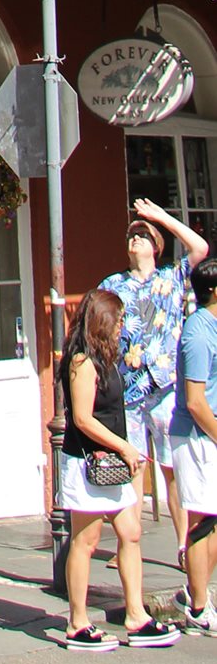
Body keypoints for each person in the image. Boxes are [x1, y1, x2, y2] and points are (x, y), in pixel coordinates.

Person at [58, 284, 178, 651]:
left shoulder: (108, 357)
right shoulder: (81, 361)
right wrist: (125, 446)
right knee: (86, 539)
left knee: (131, 533)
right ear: (103, 320)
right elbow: (81, 417)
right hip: (89, 460)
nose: (122, 326)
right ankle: (77, 622)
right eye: (119, 319)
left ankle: (136, 615)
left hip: (116, 462)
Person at [101, 194, 209, 562]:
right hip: (129, 387)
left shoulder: (171, 278)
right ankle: (129, 542)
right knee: (132, 465)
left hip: (165, 387)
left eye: (143, 236)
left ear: (156, 246)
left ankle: (184, 544)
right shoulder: (114, 284)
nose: (135, 240)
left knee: (171, 469)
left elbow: (200, 247)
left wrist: (161, 217)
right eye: (132, 235)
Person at [167, 255, 217, 632]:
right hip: (198, 436)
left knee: (213, 520)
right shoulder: (199, 333)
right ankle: (198, 607)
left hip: (208, 434)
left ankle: (196, 591)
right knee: (202, 520)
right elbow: (196, 400)